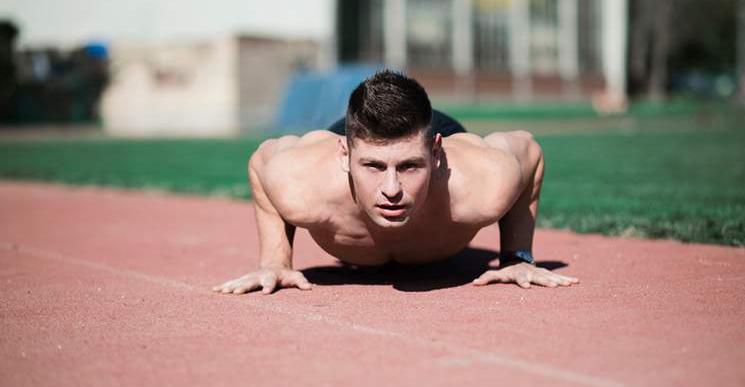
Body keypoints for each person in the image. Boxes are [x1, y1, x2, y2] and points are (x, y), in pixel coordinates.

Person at [213, 70, 578, 294]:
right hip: (359, 137)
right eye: (373, 167)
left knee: (405, 151)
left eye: (409, 168)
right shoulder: (301, 182)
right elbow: (262, 160)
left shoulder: (483, 181)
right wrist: (276, 260)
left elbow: (529, 151)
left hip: (434, 129)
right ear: (344, 156)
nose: (391, 189)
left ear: (436, 155)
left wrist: (517, 256)